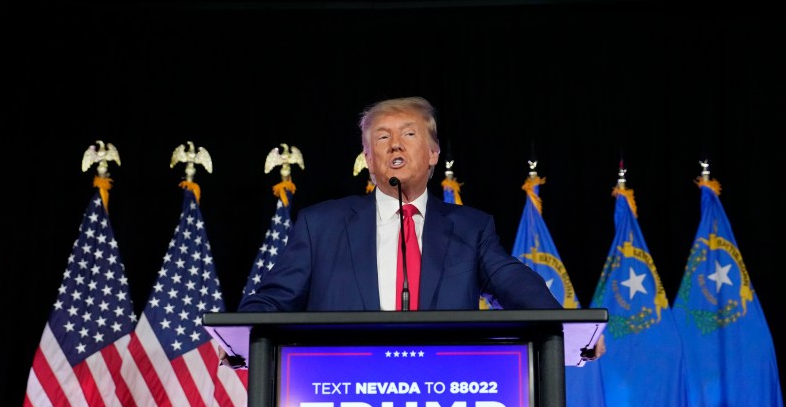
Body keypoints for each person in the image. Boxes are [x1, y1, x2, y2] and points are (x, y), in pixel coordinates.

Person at [237, 96, 605, 356]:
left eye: (409, 134)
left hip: (441, 395)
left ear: (433, 154)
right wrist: (238, 338)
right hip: (341, 395)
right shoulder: (321, 225)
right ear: (368, 159)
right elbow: (273, 298)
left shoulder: (470, 228)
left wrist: (569, 327)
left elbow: (513, 283)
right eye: (382, 137)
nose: (395, 144)